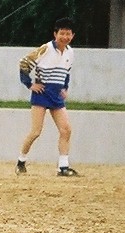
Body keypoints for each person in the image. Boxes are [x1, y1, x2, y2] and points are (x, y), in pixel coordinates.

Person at [16, 18, 79, 177]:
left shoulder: (70, 52)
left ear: (72, 35)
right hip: (41, 94)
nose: (65, 37)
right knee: (36, 131)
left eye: (68, 34)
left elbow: (66, 72)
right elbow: (24, 63)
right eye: (62, 33)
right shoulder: (46, 49)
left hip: (56, 95)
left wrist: (65, 87)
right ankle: (21, 161)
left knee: (66, 130)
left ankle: (63, 167)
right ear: (55, 34)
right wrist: (29, 84)